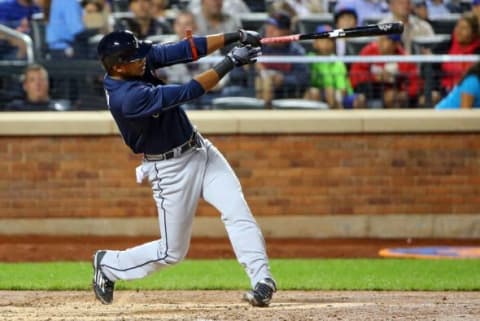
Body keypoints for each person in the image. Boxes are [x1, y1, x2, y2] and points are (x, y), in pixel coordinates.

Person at [92, 29, 277, 307]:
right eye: (136, 58)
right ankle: (108, 264)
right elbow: (191, 90)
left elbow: (185, 49)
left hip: (200, 149)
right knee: (172, 252)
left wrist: (235, 35)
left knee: (237, 210)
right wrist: (232, 61)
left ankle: (262, 280)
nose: (144, 58)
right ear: (118, 66)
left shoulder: (135, 62)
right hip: (170, 170)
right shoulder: (127, 97)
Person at [252, 11, 310, 106]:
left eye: (275, 28)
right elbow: (237, 73)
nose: (269, 31)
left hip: (286, 93)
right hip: (257, 89)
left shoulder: (296, 51)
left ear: (287, 32)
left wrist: (283, 79)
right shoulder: (257, 47)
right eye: (268, 26)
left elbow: (303, 78)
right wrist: (253, 67)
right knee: (262, 82)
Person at [349, 34, 422, 108]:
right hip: (372, 90)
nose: (380, 42)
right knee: (359, 100)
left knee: (391, 97)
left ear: (396, 44)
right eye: (380, 38)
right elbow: (355, 76)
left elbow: (416, 83)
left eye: (385, 40)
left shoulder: (404, 58)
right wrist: (375, 77)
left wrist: (403, 94)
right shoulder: (369, 51)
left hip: (397, 92)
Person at [304, 24, 365, 109]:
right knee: (316, 92)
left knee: (360, 99)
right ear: (315, 43)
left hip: (339, 95)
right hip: (319, 93)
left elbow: (342, 89)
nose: (325, 43)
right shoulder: (309, 59)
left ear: (333, 44)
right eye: (322, 39)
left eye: (329, 40)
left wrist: (336, 97)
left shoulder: (337, 62)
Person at [440, 12, 480, 93]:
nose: (458, 31)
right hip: (445, 90)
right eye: (457, 26)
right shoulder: (447, 45)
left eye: (464, 28)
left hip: (471, 92)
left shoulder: (478, 50)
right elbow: (432, 69)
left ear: (473, 33)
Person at [4, 63, 70, 111]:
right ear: (25, 86)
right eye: (32, 80)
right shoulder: (15, 109)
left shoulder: (60, 109)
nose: (38, 84)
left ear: (48, 83)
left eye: (42, 79)